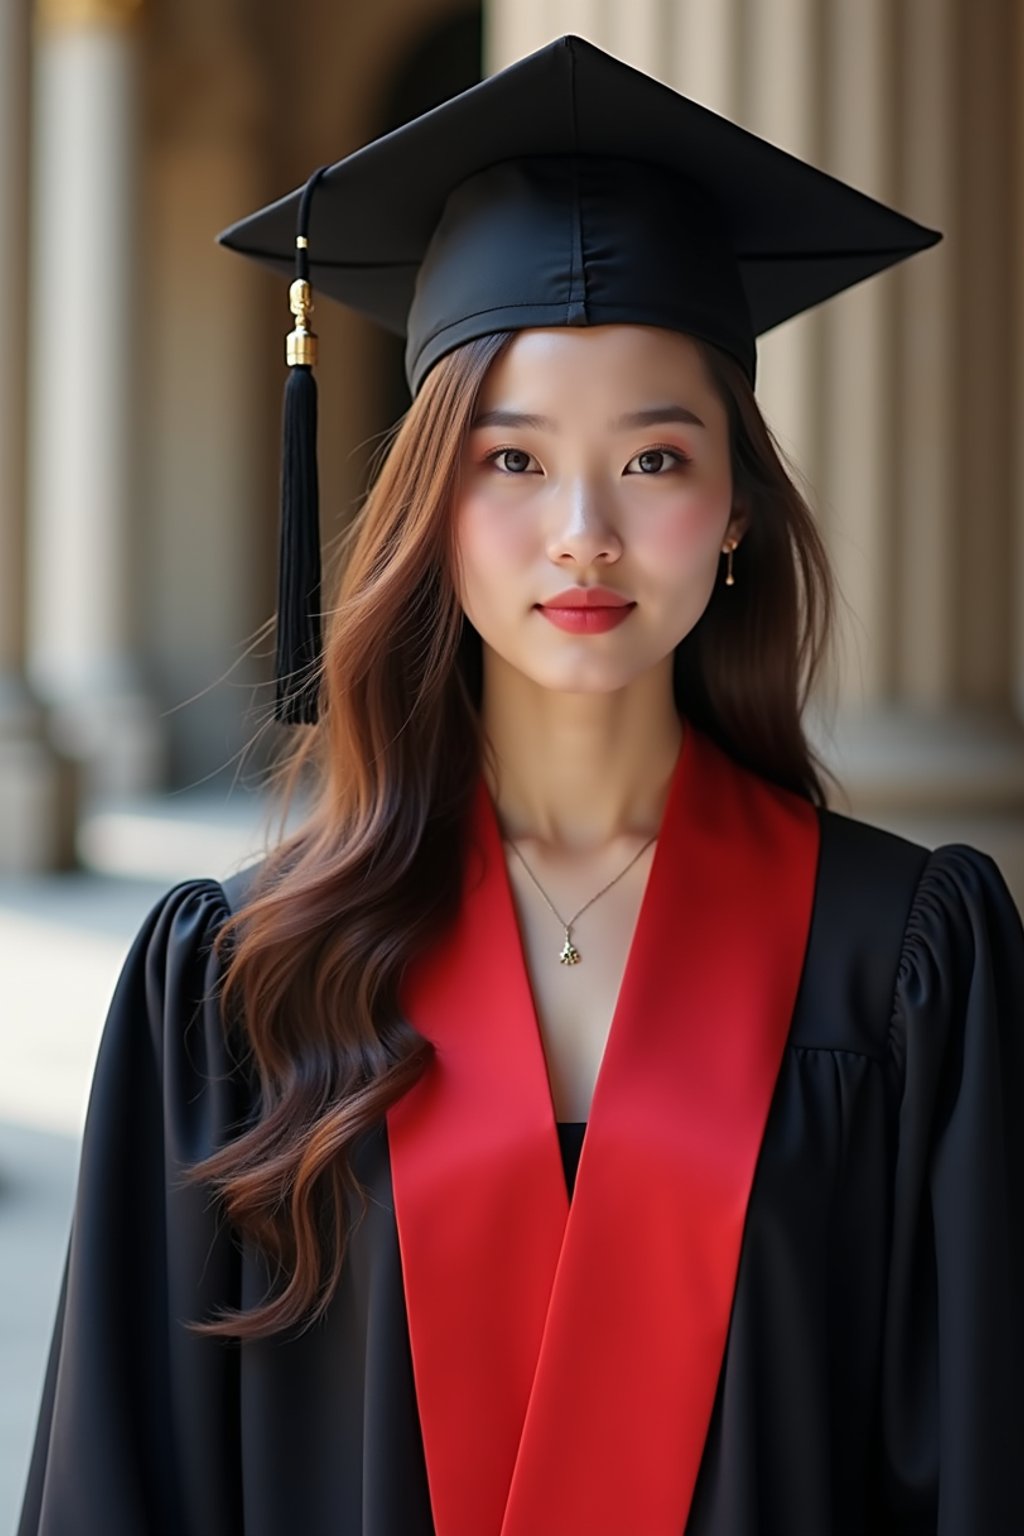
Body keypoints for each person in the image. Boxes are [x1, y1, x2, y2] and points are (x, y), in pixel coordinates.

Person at [17, 33, 1024, 1536]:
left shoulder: (901, 965)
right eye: (510, 462)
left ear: (738, 507)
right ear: (430, 505)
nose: (585, 534)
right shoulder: (239, 984)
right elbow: (131, 1477)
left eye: (658, 459)